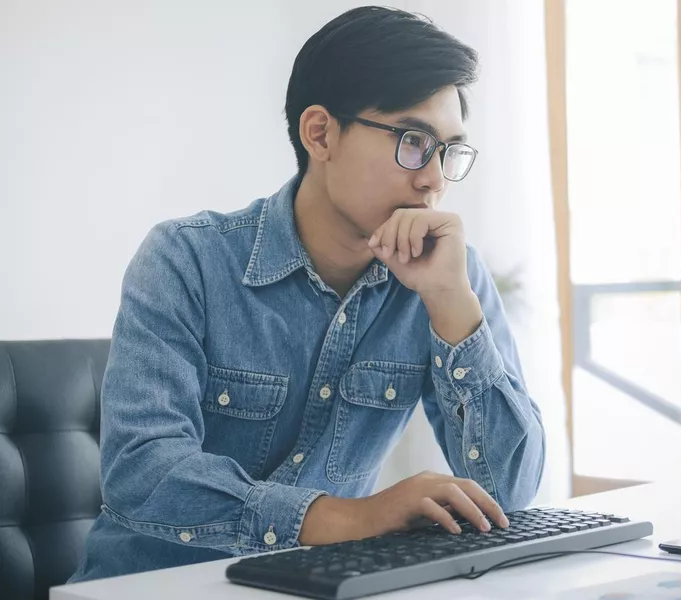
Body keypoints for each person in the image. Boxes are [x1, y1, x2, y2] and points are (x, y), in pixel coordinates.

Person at [69, 5, 545, 582]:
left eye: (448, 151)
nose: (434, 179)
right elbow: (143, 472)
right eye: (414, 141)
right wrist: (351, 518)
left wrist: (452, 308)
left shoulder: (447, 274)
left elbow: (510, 494)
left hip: (320, 590)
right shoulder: (185, 260)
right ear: (320, 133)